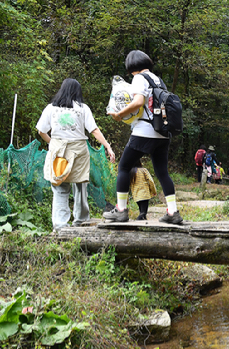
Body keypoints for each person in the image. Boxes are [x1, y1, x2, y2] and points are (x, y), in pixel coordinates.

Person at [105, 50, 182, 224]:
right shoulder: (158, 79)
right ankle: (173, 212)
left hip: (144, 131)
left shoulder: (139, 78)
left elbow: (138, 102)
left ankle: (121, 210)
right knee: (162, 172)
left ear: (132, 66)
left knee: (124, 167)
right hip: (162, 132)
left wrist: (119, 115)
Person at [36, 78, 116, 231]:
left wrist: (52, 142)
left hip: (59, 151)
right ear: (77, 92)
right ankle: (81, 221)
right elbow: (94, 130)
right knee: (80, 186)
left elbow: (41, 131)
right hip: (79, 150)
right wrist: (107, 146)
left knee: (59, 187)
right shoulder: (83, 108)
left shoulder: (51, 108)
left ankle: (60, 226)